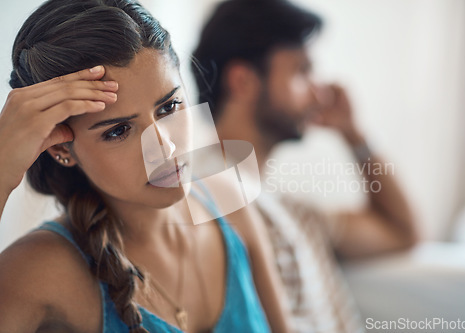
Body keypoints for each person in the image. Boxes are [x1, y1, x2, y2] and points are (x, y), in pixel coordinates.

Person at [0, 1, 290, 332]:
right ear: (61, 149)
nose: (164, 147)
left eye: (169, 107)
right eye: (118, 130)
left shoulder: (229, 200)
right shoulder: (38, 274)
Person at [192, 0, 419, 332]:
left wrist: (355, 135)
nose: (318, 92)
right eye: (301, 71)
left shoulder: (291, 208)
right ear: (242, 81)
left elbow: (401, 232)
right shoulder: (205, 197)